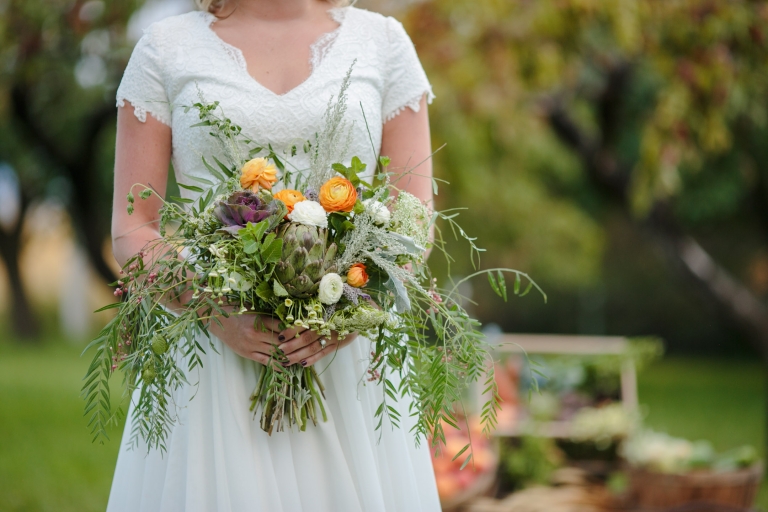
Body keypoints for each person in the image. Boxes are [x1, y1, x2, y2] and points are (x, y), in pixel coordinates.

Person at [108, 0, 439, 510]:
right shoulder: (165, 48)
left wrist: (350, 312)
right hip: (211, 355)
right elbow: (133, 227)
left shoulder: (383, 43)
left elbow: (414, 215)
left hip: (347, 359)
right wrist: (213, 311)